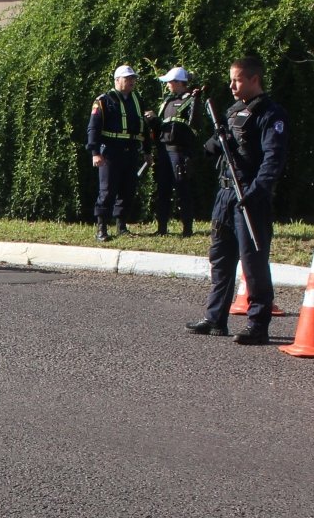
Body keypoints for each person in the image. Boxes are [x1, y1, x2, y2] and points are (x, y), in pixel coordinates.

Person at [187, 55, 288, 344]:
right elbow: (214, 147)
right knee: (220, 257)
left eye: (238, 79)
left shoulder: (271, 114)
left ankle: (258, 324)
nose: (231, 85)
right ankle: (215, 317)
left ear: (254, 79)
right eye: (231, 79)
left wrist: (257, 192)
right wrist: (211, 145)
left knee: (253, 261)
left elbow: (273, 159)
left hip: (249, 195)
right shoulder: (232, 111)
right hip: (226, 193)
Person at [87, 64, 148, 241]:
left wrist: (147, 150)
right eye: (127, 78)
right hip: (110, 152)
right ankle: (102, 228)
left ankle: (121, 225)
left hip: (130, 150)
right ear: (117, 80)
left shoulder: (137, 100)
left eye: (133, 78)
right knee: (107, 190)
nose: (131, 81)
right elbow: (93, 128)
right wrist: (95, 152)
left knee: (127, 189)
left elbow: (143, 127)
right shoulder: (104, 100)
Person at [149, 66, 202, 236]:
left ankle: (187, 228)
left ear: (180, 83)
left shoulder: (192, 99)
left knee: (182, 190)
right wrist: (153, 120)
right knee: (163, 190)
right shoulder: (167, 101)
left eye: (171, 82)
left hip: (179, 151)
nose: (168, 86)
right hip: (164, 150)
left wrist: (197, 99)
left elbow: (195, 124)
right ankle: (161, 228)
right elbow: (162, 126)